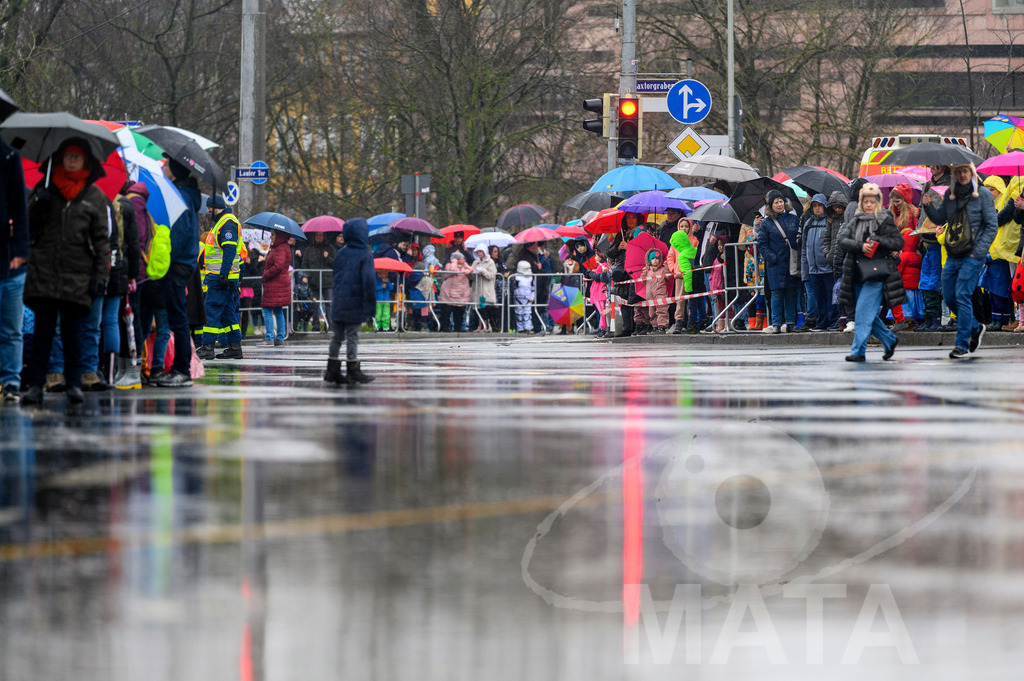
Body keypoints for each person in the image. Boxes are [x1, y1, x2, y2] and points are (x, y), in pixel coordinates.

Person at [21, 140, 111, 404]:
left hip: (78, 274)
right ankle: (37, 385)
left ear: (86, 162)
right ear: (59, 159)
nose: (72, 160)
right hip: (45, 272)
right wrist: (39, 202)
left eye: (77, 157)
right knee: (43, 333)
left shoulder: (93, 195)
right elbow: (28, 223)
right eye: (68, 156)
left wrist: (100, 277)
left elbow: (102, 240)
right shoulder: (45, 187)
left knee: (74, 333)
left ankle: (73, 384)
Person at [923, 162, 999, 359]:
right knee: (949, 297)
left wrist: (979, 252)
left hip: (972, 256)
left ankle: (962, 344)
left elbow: (992, 226)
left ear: (972, 174)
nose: (962, 175)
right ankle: (974, 327)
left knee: (963, 295)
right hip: (953, 253)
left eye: (966, 171)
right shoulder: (950, 194)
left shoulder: (982, 195)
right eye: (959, 172)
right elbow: (940, 219)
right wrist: (928, 206)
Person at [837, 182, 905, 361]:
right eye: (865, 201)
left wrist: (879, 241)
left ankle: (857, 351)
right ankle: (889, 341)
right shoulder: (855, 221)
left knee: (863, 313)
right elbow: (842, 241)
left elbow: (899, 242)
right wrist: (861, 246)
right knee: (865, 313)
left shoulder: (885, 220)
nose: (868, 205)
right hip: (857, 274)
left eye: (872, 201)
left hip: (877, 273)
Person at [152, 156, 202, 387]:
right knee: (178, 317)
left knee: (178, 319)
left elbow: (178, 235)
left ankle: (181, 369)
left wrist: (166, 261)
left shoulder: (180, 197)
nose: (162, 167)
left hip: (176, 264)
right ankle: (180, 369)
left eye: (165, 165)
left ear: (173, 171)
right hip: (183, 263)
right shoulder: (187, 195)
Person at [323, 218, 375, 386]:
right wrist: (370, 307)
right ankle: (353, 369)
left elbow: (336, 275)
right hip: (355, 302)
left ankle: (332, 369)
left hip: (338, 301)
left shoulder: (341, 253)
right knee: (352, 336)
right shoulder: (364, 255)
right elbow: (368, 281)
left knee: (337, 337)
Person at [197, 194, 243, 360]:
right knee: (227, 313)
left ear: (216, 207)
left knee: (212, 310)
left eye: (210, 208)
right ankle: (235, 347)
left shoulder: (227, 223)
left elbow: (229, 250)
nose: (208, 211)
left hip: (220, 277)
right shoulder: (223, 223)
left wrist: (223, 273)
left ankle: (207, 347)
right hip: (226, 277)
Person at [1, 136, 28, 402]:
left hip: (9, 257)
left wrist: (20, 252)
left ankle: (10, 381)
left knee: (11, 327)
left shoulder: (9, 157)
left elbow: (20, 209)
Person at [756, 189, 801, 333]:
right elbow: (762, 244)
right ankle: (776, 323)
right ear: (771, 205)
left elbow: (798, 238)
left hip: (791, 262)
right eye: (776, 202)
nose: (779, 204)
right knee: (776, 294)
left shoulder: (794, 219)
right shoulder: (767, 223)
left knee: (791, 293)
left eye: (781, 201)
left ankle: (790, 322)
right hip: (775, 264)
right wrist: (772, 258)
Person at [801, 194, 836, 331]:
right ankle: (822, 322)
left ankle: (833, 321)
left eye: (819, 205)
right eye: (814, 206)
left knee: (830, 297)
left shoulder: (829, 222)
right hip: (813, 269)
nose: (817, 209)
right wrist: (805, 270)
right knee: (818, 298)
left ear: (825, 207)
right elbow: (804, 249)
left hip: (827, 268)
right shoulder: (808, 224)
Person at [890, 183, 922, 330]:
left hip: (909, 250)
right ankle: (899, 316)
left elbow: (917, 232)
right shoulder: (891, 212)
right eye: (894, 201)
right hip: (895, 252)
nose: (896, 204)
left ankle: (909, 316)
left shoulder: (912, 212)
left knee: (907, 283)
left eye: (898, 201)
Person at [823, 190, 851, 331]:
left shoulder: (847, 219)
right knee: (837, 291)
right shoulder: (831, 220)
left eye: (839, 206)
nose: (837, 209)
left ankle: (844, 319)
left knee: (844, 290)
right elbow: (827, 238)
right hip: (834, 259)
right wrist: (827, 254)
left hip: (845, 259)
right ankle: (839, 319)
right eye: (835, 207)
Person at [299, 231, 335, 329]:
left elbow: (336, 263)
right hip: (313, 281)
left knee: (329, 303)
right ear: (314, 236)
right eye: (317, 235)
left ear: (324, 236)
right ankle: (316, 326)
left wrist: (328, 258)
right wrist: (308, 275)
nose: (319, 237)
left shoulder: (330, 248)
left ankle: (330, 326)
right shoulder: (309, 249)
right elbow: (304, 264)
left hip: (327, 281)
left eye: (321, 235)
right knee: (314, 304)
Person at [261, 231, 291, 345]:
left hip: (275, 282)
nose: (271, 237)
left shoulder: (279, 248)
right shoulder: (283, 247)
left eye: (273, 235)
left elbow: (278, 265)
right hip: (280, 282)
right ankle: (280, 337)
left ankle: (269, 337)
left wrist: (266, 274)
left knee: (266, 309)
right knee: (278, 310)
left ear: (278, 235)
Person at [439, 252, 473, 332]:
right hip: (448, 294)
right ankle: (445, 328)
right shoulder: (449, 265)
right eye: (461, 259)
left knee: (459, 314)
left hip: (461, 294)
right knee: (446, 313)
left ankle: (458, 328)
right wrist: (454, 262)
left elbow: (472, 269)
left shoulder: (465, 266)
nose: (463, 260)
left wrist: (469, 270)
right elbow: (452, 270)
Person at [641, 249, 671, 333]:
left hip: (660, 294)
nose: (655, 260)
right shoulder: (648, 271)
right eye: (653, 258)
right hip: (650, 296)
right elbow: (643, 281)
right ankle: (655, 326)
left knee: (662, 310)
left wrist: (667, 268)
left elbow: (669, 277)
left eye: (657, 258)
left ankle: (662, 326)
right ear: (649, 260)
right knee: (652, 312)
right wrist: (643, 273)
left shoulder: (662, 270)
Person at [470, 245, 498, 332]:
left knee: (485, 309)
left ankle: (486, 327)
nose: (479, 253)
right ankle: (479, 326)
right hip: (477, 289)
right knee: (478, 308)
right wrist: (474, 273)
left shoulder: (490, 262)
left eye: (481, 251)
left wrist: (483, 271)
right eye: (478, 251)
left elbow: (492, 275)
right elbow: (471, 276)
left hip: (486, 290)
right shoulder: (475, 262)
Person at [512, 260, 535, 334]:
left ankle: (527, 328)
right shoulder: (516, 277)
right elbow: (512, 287)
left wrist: (532, 297)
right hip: (518, 298)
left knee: (527, 314)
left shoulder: (531, 278)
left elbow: (533, 289)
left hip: (528, 298)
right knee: (519, 314)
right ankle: (520, 328)